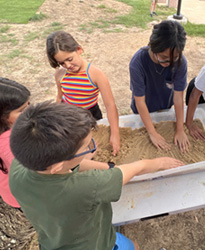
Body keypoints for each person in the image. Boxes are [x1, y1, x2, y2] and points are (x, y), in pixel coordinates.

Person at [9, 101, 184, 250]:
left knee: (132, 245)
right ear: (58, 165)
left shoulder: (19, 169)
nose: (92, 148)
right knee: (133, 246)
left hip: (53, 241)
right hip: (95, 244)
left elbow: (71, 165)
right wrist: (155, 163)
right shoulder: (86, 187)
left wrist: (105, 165)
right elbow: (126, 172)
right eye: (86, 147)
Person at [46, 31, 120, 156]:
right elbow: (59, 97)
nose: (67, 65)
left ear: (79, 50)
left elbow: (110, 105)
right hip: (68, 114)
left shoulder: (96, 74)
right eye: (62, 63)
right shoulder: (60, 74)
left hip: (90, 114)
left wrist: (115, 133)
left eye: (69, 59)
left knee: (93, 148)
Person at [129, 20, 190, 153]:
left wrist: (180, 129)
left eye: (173, 59)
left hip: (164, 106)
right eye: (163, 58)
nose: (168, 63)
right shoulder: (138, 62)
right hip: (143, 109)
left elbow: (179, 97)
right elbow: (140, 100)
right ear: (152, 46)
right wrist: (152, 132)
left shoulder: (180, 63)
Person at [0, 77, 30, 208]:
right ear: (3, 116)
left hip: (9, 191)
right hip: (25, 196)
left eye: (29, 105)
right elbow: (31, 174)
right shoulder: (11, 143)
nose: (29, 111)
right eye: (22, 110)